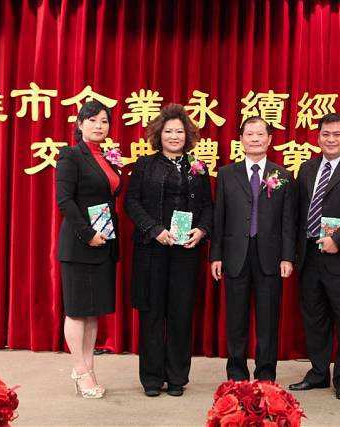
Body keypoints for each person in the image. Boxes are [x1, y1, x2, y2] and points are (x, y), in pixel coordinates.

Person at [125, 104, 213, 397]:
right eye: (168, 131)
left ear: (187, 135)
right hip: (152, 250)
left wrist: (201, 230)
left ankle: (177, 378)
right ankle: (151, 379)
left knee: (180, 314)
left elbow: (208, 206)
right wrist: (155, 230)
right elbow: (131, 202)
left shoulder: (198, 167)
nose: (174, 136)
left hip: (185, 251)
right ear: (158, 135)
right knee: (151, 315)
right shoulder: (144, 165)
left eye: (179, 131)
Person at [288, 113, 340, 400]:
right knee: (315, 319)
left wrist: (338, 239)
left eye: (337, 134)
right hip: (310, 256)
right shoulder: (307, 168)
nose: (331, 139)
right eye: (326, 134)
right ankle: (318, 372)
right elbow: (298, 212)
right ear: (318, 137)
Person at [210, 116, 297, 382]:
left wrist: (287, 257)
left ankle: (265, 375)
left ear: (270, 139)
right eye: (250, 134)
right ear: (241, 139)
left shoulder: (283, 175)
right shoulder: (227, 174)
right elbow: (219, 217)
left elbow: (288, 221)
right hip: (235, 254)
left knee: (268, 321)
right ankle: (236, 375)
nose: (255, 139)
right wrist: (216, 255)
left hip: (270, 256)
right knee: (236, 320)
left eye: (261, 134)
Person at [56, 100, 122, 399]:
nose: (99, 126)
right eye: (93, 120)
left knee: (93, 312)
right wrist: (88, 234)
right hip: (80, 245)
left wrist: (100, 236)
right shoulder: (70, 155)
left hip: (103, 243)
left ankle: (89, 368)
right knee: (77, 311)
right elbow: (65, 201)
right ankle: (79, 370)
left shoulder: (106, 157)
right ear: (80, 124)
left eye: (104, 121)